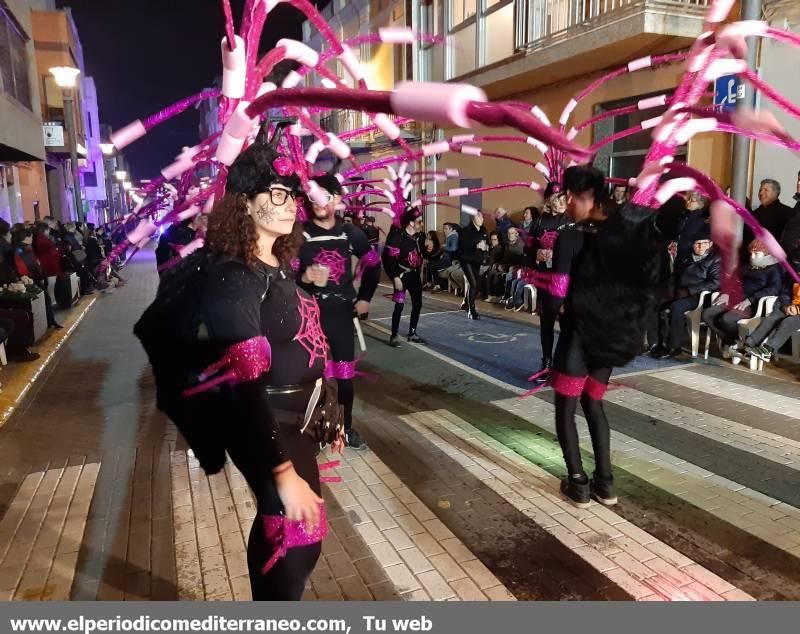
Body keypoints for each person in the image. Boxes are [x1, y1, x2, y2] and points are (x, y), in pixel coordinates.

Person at [135, 144, 334, 601]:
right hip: (269, 427)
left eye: (292, 194)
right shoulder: (233, 275)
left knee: (297, 539)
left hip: (296, 423)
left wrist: (327, 407)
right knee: (293, 538)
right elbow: (243, 385)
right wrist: (283, 472)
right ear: (244, 202)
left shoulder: (277, 266)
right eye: (277, 193)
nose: (290, 204)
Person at [546, 165, 667, 508]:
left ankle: (578, 482)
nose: (565, 204)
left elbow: (557, 292)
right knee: (594, 402)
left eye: (566, 198)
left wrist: (550, 318)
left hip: (578, 338)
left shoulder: (571, 236)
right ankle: (606, 482)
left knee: (566, 408)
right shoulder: (625, 234)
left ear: (573, 196)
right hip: (611, 336)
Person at [297, 173, 380, 450]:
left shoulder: (350, 233)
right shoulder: (299, 234)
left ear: (338, 199)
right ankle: (315, 427)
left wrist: (365, 298)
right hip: (308, 317)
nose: (319, 203)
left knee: (344, 377)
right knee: (312, 377)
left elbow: (373, 264)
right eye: (314, 196)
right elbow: (282, 273)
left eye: (326, 196)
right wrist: (305, 277)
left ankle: (345, 428)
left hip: (342, 315)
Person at [702, 238, 784, 356]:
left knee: (727, 319)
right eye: (751, 253)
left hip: (753, 304)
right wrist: (726, 293)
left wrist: (751, 299)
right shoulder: (747, 266)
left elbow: (774, 288)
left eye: (757, 254)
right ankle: (733, 343)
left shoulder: (774, 269)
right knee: (707, 314)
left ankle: (733, 344)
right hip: (736, 299)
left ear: (767, 254)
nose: (753, 257)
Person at [654, 229, 720, 358]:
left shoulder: (715, 260)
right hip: (680, 292)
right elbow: (675, 276)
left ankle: (675, 346)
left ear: (710, 244)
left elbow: (715, 282)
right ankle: (658, 343)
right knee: (657, 304)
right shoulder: (687, 257)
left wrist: (689, 291)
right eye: (697, 243)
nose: (700, 246)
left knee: (676, 307)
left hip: (699, 296)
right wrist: (668, 289)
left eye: (703, 243)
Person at [528, 184, 568, 379]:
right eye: (556, 198)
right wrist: (536, 254)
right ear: (548, 201)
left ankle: (567, 364)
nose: (561, 202)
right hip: (545, 279)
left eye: (563, 197)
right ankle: (547, 362)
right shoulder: (538, 223)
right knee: (546, 322)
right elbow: (526, 250)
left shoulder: (570, 221)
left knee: (569, 324)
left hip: (566, 279)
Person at [744, 257, 800, 362]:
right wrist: (787, 306)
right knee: (774, 316)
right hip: (793, 306)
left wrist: (798, 309)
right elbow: (785, 292)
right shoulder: (796, 273)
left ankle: (767, 350)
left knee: (788, 322)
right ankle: (749, 344)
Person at [384, 209, 425, 345]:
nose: (422, 224)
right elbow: (390, 260)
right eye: (419, 221)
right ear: (411, 223)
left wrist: (428, 250)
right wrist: (395, 278)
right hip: (401, 276)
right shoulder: (397, 237)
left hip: (414, 276)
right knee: (399, 306)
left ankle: (412, 332)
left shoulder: (419, 237)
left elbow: (421, 254)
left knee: (417, 304)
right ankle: (394, 336)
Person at [11, 226, 61, 329]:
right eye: (31, 237)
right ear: (25, 238)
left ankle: (50, 321)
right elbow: (25, 266)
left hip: (33, 278)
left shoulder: (24, 248)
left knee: (45, 300)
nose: (32, 239)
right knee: (43, 301)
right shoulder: (21, 250)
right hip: (31, 280)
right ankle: (49, 322)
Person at [458, 213, 489, 320]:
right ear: (473, 218)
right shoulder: (466, 230)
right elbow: (462, 246)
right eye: (478, 216)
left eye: (482, 216)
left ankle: (466, 303)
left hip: (476, 260)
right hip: (466, 260)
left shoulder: (483, 230)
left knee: (475, 283)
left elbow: (486, 244)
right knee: (474, 284)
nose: (481, 218)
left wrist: (485, 253)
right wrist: (475, 245)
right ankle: (472, 310)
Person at [746, 178, 793, 246]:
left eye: (766, 190)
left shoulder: (787, 212)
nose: (761, 193)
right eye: (760, 190)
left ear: (775, 193)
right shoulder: (755, 212)